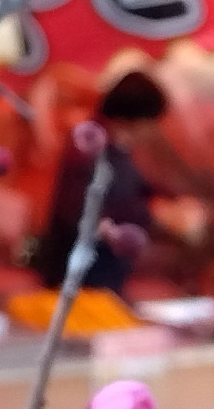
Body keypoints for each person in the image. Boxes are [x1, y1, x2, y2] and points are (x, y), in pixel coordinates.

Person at [35, 71, 170, 294]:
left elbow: (132, 190)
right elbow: (77, 213)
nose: (154, 131)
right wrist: (150, 217)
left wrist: (164, 204)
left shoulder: (119, 150)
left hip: (106, 277)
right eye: (153, 122)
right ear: (137, 117)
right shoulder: (88, 146)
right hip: (79, 281)